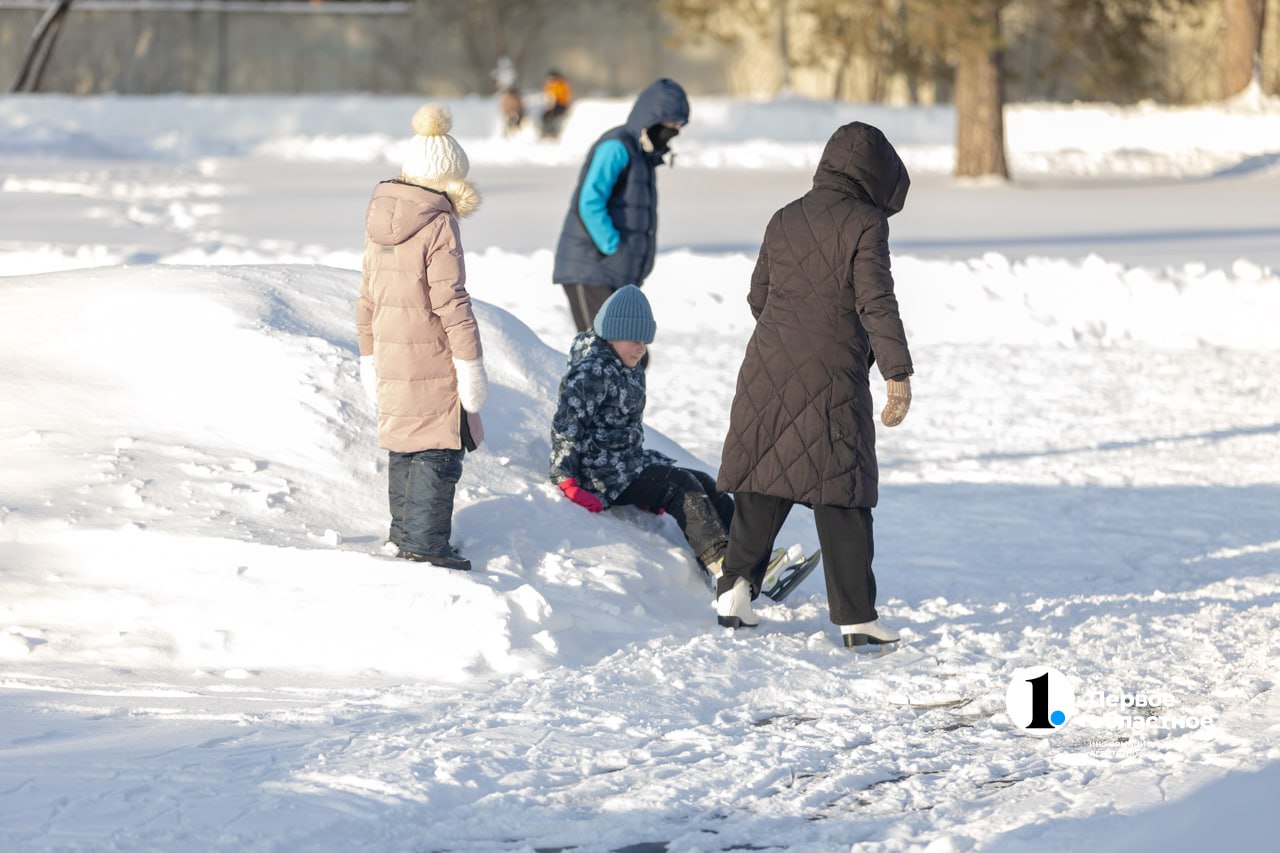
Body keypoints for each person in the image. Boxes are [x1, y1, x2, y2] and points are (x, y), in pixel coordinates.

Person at [714, 121, 915, 647]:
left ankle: (734, 589)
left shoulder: (784, 217)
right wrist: (896, 371)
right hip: (832, 374)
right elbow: (876, 301)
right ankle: (856, 618)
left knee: (762, 479)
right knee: (841, 491)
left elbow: (759, 295)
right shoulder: (866, 223)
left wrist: (789, 337)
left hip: (768, 365)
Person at [356, 103, 488, 572]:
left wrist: (368, 357)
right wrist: (470, 367)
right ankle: (426, 545)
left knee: (405, 442)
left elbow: (366, 297)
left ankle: (403, 534)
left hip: (391, 355)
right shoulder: (438, 223)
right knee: (438, 446)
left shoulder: (379, 221)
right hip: (432, 357)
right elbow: (452, 302)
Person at [549, 286, 751, 582]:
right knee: (679, 487)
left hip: (626, 465)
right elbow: (567, 426)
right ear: (611, 334)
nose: (641, 348)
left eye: (645, 341)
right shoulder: (590, 372)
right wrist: (565, 478)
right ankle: (724, 564)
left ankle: (751, 556)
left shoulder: (627, 368)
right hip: (600, 474)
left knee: (706, 481)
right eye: (635, 340)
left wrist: (646, 490)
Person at [552, 78, 689, 334]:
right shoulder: (617, 147)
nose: (676, 130)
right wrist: (613, 247)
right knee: (604, 353)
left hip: (617, 273)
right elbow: (590, 201)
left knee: (630, 357)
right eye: (672, 122)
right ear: (652, 117)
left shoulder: (644, 155)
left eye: (680, 124)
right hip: (591, 268)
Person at [540, 69, 572, 139]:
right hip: (551, 105)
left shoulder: (561, 84)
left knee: (555, 117)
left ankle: (554, 131)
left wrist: (555, 99)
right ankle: (546, 130)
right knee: (545, 116)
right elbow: (546, 94)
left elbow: (564, 96)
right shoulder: (549, 85)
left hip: (561, 105)